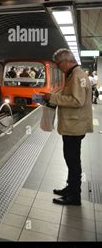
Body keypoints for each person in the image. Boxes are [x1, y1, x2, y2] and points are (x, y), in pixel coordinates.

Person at [42, 49, 93, 206]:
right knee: (71, 159)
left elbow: (77, 101)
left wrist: (53, 97)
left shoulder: (77, 76)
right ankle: (70, 188)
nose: (58, 67)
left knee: (73, 161)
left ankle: (74, 196)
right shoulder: (74, 74)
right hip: (74, 125)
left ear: (67, 61)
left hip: (74, 125)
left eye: (58, 64)